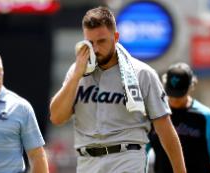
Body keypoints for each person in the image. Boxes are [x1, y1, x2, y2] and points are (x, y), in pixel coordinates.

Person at [50, 6, 186, 173]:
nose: (96, 49)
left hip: (126, 157)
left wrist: (180, 171)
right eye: (90, 43)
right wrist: (76, 76)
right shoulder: (77, 72)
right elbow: (56, 117)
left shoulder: (142, 73)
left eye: (102, 41)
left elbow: (164, 128)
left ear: (116, 37)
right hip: (87, 161)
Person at [148, 62, 210, 173]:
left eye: (179, 94)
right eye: (171, 93)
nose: (175, 98)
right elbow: (141, 152)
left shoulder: (205, 117)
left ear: (191, 86)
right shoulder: (156, 115)